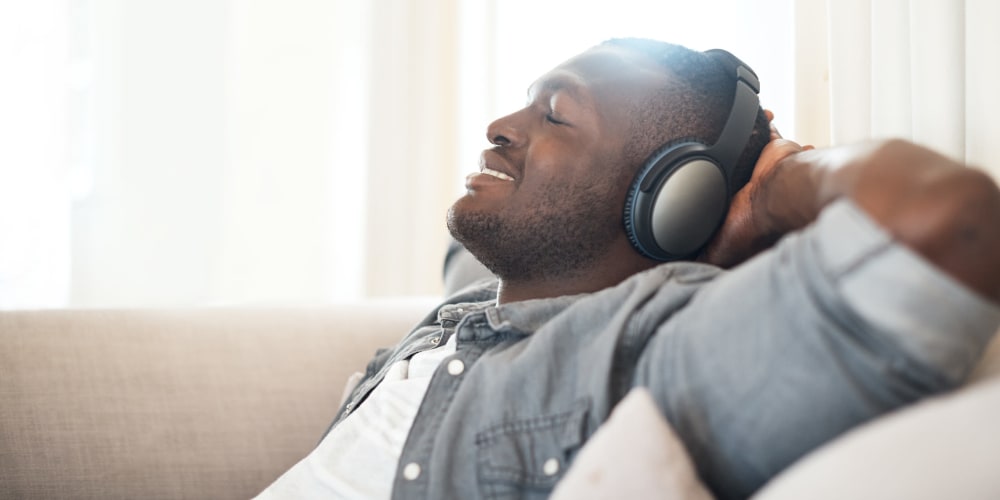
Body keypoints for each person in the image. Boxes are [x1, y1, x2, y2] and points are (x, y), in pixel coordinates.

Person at [256, 38, 1000, 499]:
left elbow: (947, 221)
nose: (499, 127)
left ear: (672, 199)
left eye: (554, 114)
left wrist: (774, 190)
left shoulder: (653, 348)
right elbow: (473, 250)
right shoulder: (485, 302)